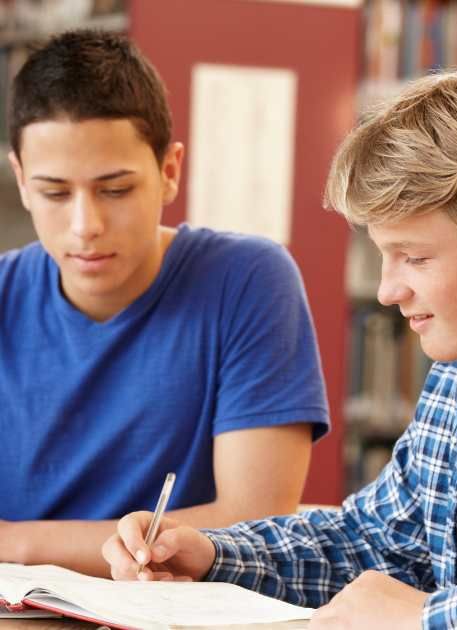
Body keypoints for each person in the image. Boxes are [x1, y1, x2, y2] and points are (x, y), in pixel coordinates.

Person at [102, 60, 457, 628]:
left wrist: (426, 617)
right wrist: (215, 555)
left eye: (415, 257)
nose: (388, 291)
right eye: (385, 256)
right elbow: (379, 541)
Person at [0, 30, 329, 578]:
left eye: (116, 189)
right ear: (22, 182)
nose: (86, 226)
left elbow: (254, 522)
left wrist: (13, 542)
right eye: (55, 193)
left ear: (170, 171)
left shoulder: (248, 280)